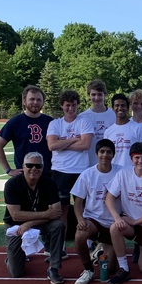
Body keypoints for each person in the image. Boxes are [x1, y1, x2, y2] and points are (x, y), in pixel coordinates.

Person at [104, 142, 142, 284]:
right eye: (137, 157)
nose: (140, 161)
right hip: (130, 224)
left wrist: (136, 222)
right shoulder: (124, 173)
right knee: (115, 227)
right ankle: (124, 269)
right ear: (131, 159)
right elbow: (109, 198)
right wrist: (117, 217)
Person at [3, 152, 65, 284]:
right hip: (16, 225)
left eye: (38, 166)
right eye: (30, 165)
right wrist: (46, 214)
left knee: (58, 225)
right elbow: (16, 215)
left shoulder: (49, 183)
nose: (34, 169)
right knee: (16, 273)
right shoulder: (12, 184)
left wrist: (30, 222)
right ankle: (12, 257)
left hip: (38, 222)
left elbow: (57, 212)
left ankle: (53, 268)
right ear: (23, 166)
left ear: (43, 167)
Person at [46, 90, 94, 247]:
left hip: (81, 171)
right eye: (68, 105)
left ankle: (87, 242)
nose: (71, 108)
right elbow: (52, 145)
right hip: (60, 172)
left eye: (74, 105)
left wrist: (63, 142)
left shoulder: (84, 121)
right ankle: (61, 246)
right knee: (62, 210)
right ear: (62, 106)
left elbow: (86, 145)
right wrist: (74, 139)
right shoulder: (55, 123)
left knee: (85, 209)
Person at [71, 139, 121, 284]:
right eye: (102, 152)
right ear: (96, 154)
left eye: (109, 152)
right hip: (93, 219)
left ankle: (101, 250)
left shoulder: (122, 171)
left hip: (113, 223)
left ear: (114, 154)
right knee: (80, 234)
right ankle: (88, 269)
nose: (105, 155)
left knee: (111, 270)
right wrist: (80, 220)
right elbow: (78, 203)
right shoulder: (87, 174)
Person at [0, 85, 53, 177]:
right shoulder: (15, 122)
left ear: (43, 102)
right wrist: (8, 170)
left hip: (47, 174)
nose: (35, 102)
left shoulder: (51, 122)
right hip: (24, 174)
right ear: (24, 101)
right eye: (32, 99)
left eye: (38, 100)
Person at [103, 94, 142, 166]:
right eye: (117, 105)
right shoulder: (108, 132)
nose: (120, 108)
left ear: (128, 108)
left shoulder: (138, 128)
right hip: (114, 173)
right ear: (113, 108)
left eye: (123, 105)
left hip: (133, 172)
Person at [81, 80, 116, 166]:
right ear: (89, 96)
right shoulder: (82, 117)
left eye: (100, 94)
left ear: (105, 95)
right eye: (93, 94)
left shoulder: (114, 115)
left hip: (111, 163)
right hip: (89, 163)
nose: (96, 98)